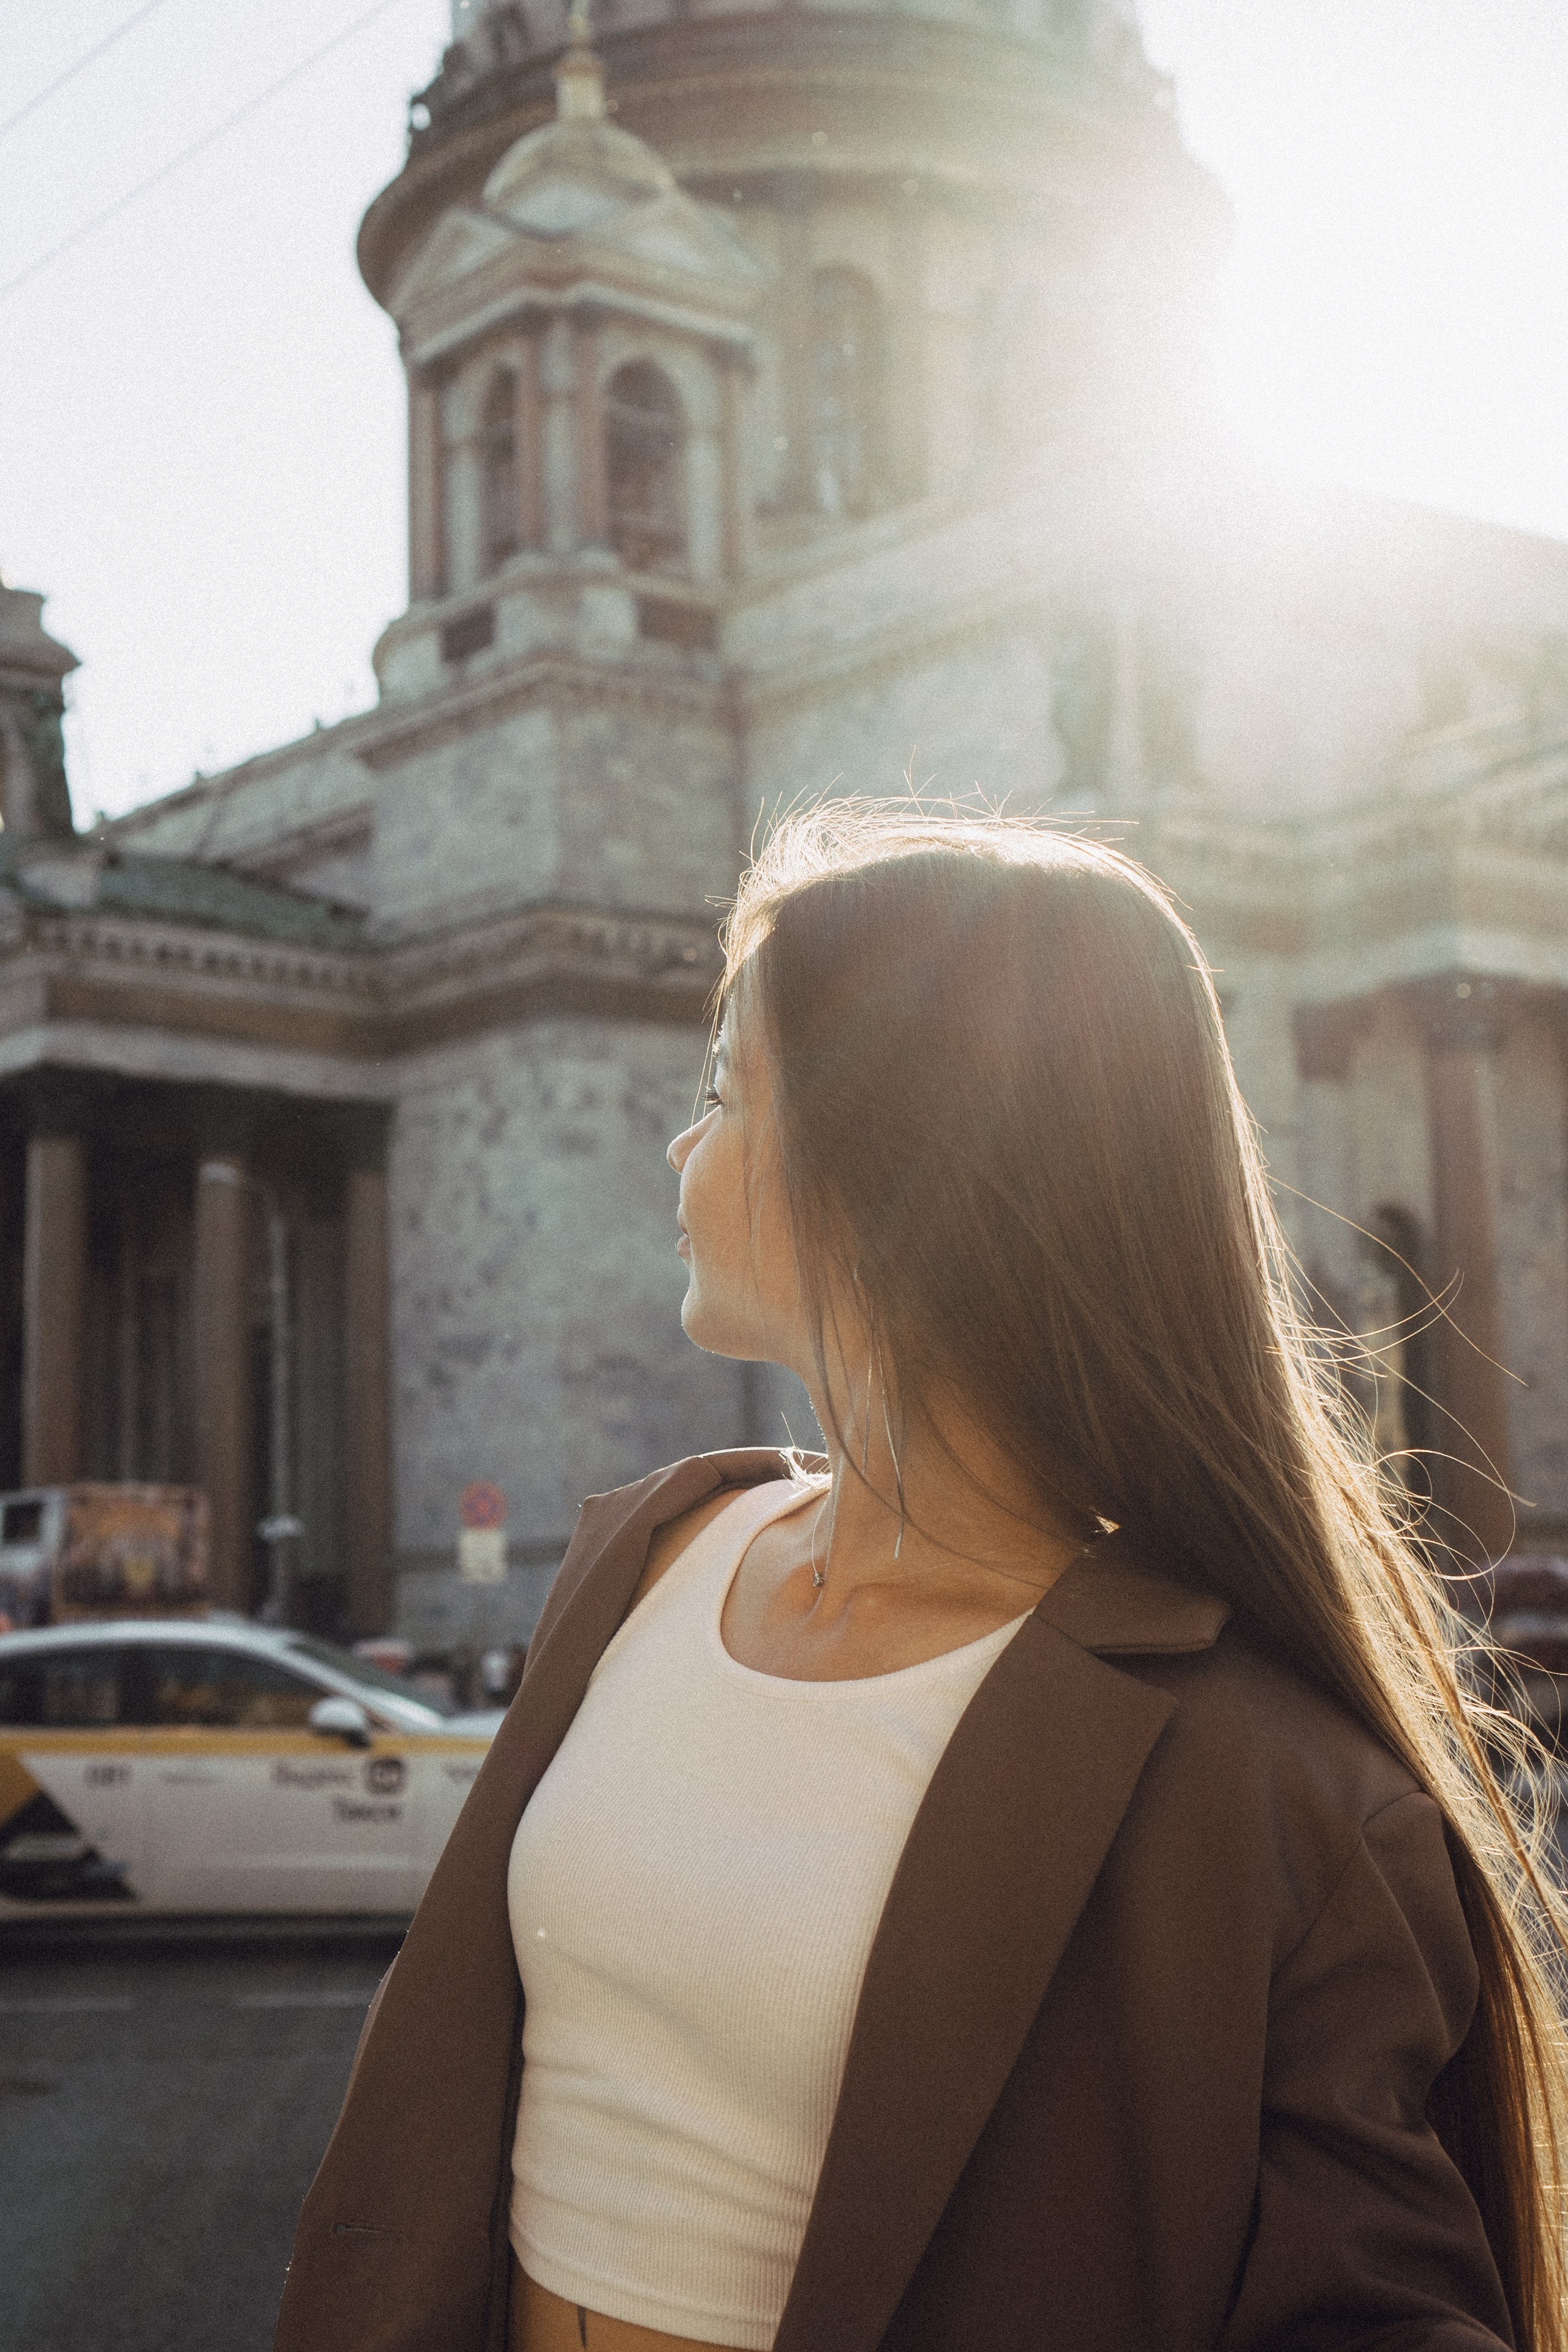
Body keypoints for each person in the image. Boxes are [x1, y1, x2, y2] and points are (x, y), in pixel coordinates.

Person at [276, 808, 1568, 2352]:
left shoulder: (1271, 1783)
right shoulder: (649, 1558)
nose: (682, 1147)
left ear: (897, 1164)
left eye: (721, 1094)